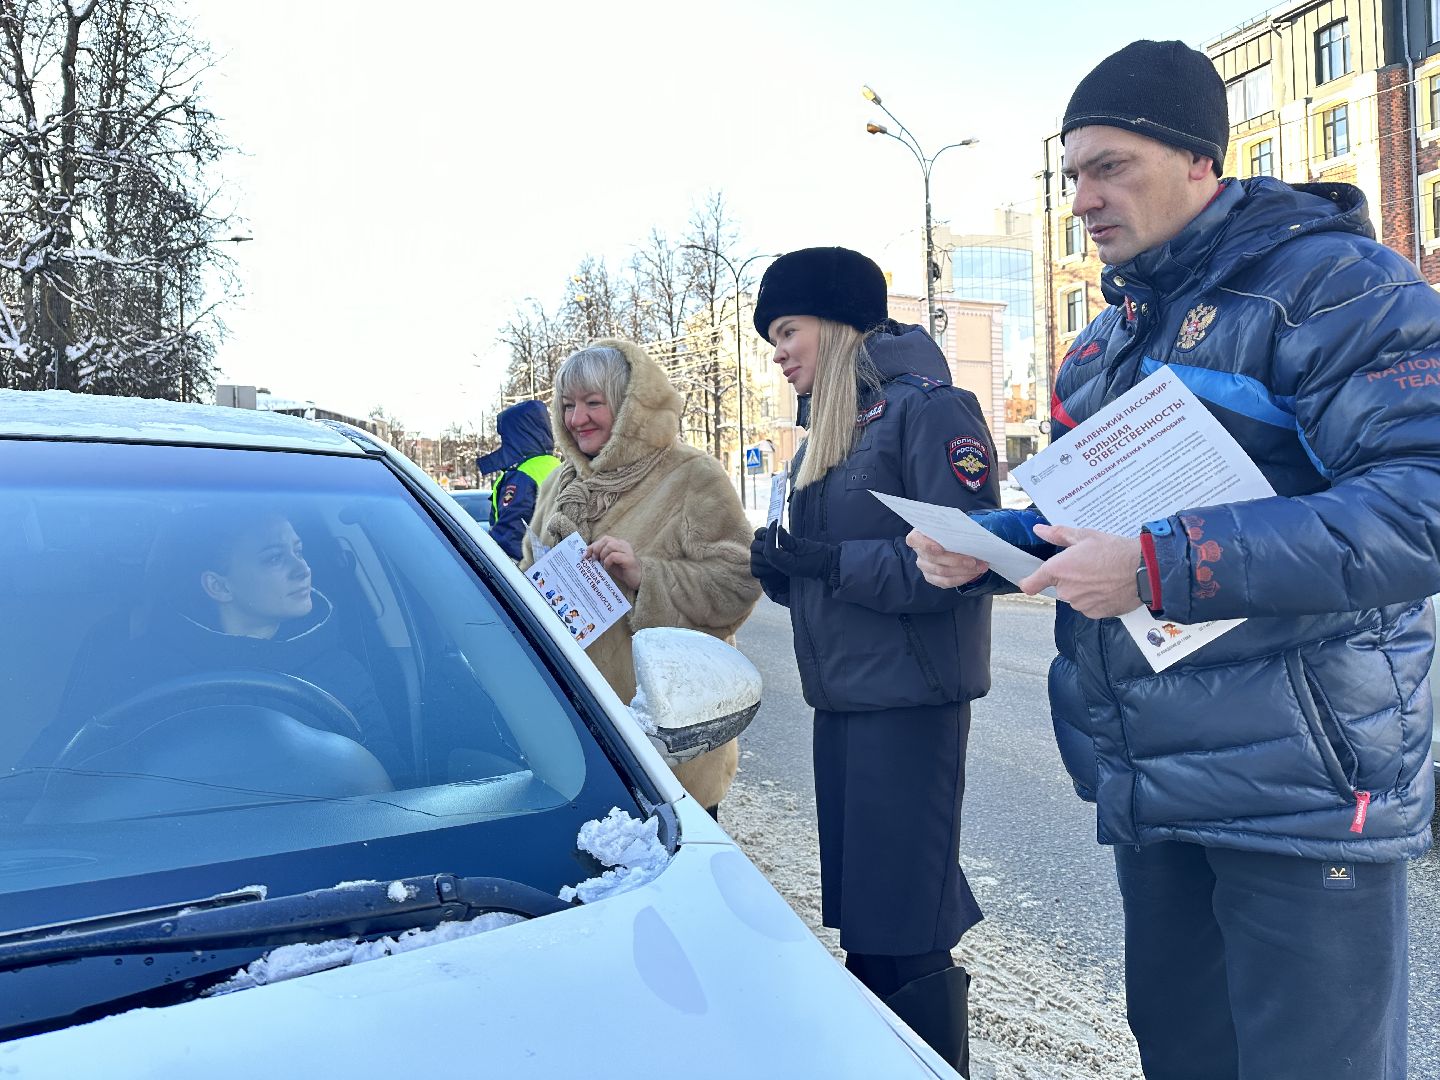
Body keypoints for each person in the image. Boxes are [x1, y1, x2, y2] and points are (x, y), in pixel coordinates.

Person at [910, 40, 1439, 1080]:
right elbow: (1099, 516)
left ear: (1201, 159)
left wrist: (1157, 569)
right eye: (1071, 175)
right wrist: (998, 547)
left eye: (1110, 166)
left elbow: (1418, 508)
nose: (1083, 199)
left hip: (1305, 787)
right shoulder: (1104, 341)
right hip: (1153, 784)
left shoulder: (1335, 289)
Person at [746, 246, 1000, 1075]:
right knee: (866, 932)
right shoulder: (827, 429)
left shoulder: (930, 410)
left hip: (909, 704)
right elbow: (841, 569)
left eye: (786, 331)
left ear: (836, 320)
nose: (777, 352)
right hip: (846, 702)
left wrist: (826, 562)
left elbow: (967, 564)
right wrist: (787, 572)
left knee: (906, 934)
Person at [523, 339, 760, 817]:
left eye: (594, 403)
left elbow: (739, 582)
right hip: (575, 736)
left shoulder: (692, 477)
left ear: (632, 408)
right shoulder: (558, 485)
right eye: (568, 405)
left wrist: (645, 576)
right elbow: (530, 567)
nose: (577, 419)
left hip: (667, 743)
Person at [58, 508, 408, 786]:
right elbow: (59, 780)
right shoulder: (136, 670)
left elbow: (390, 792)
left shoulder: (342, 671)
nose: (302, 569)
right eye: (274, 558)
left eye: (298, 551)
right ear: (219, 586)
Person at [477, 399, 562, 562]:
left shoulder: (522, 474)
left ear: (516, 436)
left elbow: (511, 533)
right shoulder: (557, 465)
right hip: (551, 562)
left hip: (523, 567)